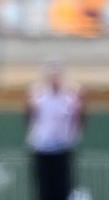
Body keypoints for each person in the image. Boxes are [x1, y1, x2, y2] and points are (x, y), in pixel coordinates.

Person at [25, 60, 85, 200]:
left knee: (62, 187)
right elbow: (30, 117)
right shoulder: (39, 96)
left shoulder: (70, 97)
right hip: (43, 147)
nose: (55, 80)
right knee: (45, 189)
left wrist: (74, 134)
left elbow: (78, 118)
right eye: (52, 77)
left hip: (62, 147)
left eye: (57, 76)